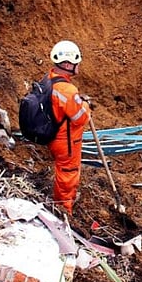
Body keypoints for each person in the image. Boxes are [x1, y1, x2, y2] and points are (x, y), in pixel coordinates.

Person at [45, 40, 90, 215]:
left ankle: (64, 201)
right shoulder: (67, 90)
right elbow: (81, 118)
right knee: (68, 174)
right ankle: (64, 209)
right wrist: (85, 105)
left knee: (64, 172)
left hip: (55, 134)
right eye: (76, 61)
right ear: (66, 64)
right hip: (66, 140)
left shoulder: (50, 79)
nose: (79, 64)